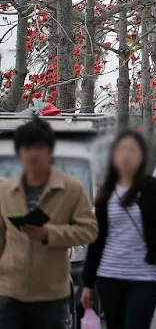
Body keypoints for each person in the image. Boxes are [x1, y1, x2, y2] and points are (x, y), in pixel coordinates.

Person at [0, 118, 98, 329]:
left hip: (50, 293)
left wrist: (49, 234)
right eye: (27, 148)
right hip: (10, 292)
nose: (33, 154)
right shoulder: (6, 190)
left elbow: (89, 230)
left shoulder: (71, 188)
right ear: (20, 153)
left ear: (50, 151)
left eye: (39, 147)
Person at [81, 130, 156, 329]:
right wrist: (88, 283)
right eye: (121, 150)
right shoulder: (106, 192)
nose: (126, 155)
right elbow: (97, 240)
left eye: (132, 150)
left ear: (141, 156)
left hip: (145, 277)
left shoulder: (154, 189)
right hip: (109, 276)